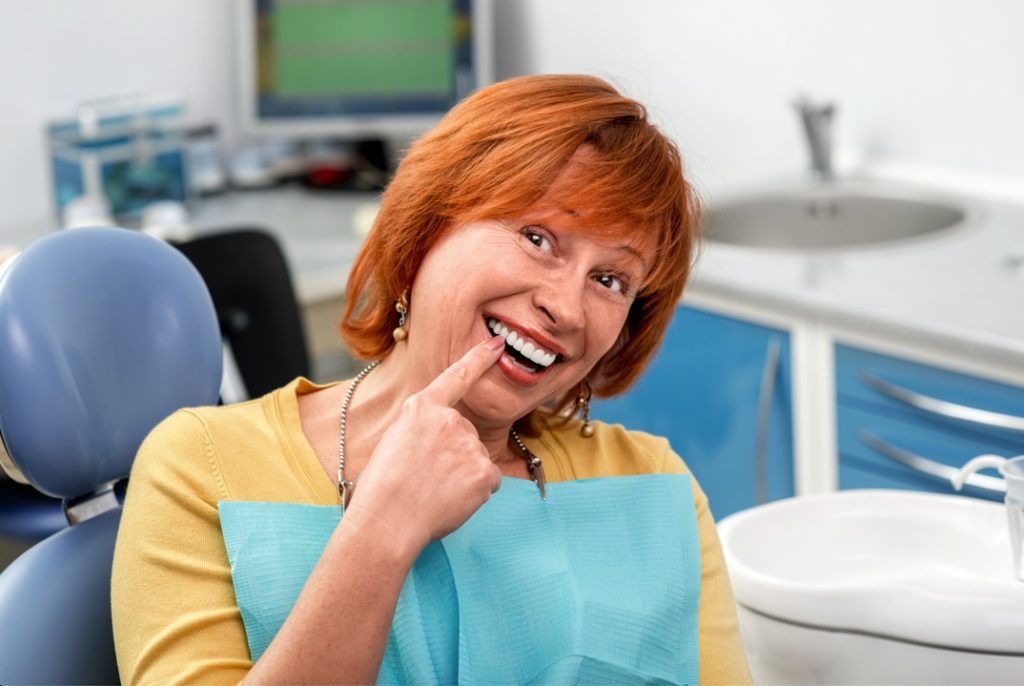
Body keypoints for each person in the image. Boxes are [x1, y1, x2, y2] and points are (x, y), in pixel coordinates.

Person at [111, 73, 751, 685]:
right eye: (537, 237)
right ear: (423, 234)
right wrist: (382, 531)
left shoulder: (654, 487)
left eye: (610, 280)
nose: (568, 307)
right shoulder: (199, 467)